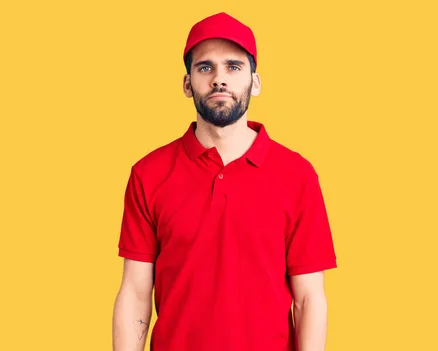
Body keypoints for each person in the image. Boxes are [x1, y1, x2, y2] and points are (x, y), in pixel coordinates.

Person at [111, 12, 338, 351]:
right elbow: (135, 293)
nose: (219, 79)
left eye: (233, 67)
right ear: (188, 84)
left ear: (255, 82)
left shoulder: (297, 175)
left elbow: (309, 299)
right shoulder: (149, 173)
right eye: (205, 68)